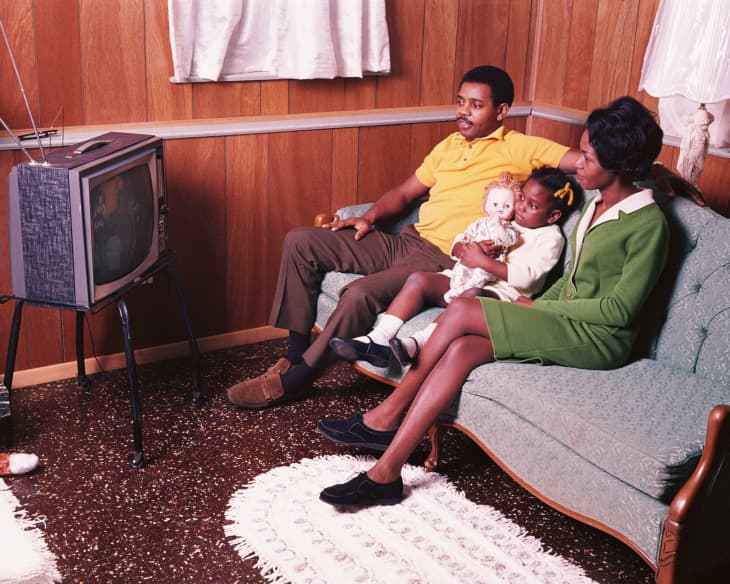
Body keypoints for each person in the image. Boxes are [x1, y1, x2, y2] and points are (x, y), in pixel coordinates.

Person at [317, 95, 672, 506]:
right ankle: (386, 472)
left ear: (618, 165)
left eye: (588, 157)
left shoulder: (648, 224)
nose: (579, 163)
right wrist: (542, 303)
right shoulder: (597, 203)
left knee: (466, 308)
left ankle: (385, 418)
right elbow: (571, 281)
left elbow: (619, 311)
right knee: (463, 348)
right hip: (565, 320)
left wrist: (536, 307)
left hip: (602, 338)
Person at [226, 65, 580, 410]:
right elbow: (404, 193)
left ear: (502, 111)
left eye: (476, 105)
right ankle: (292, 356)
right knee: (301, 241)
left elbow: (581, 162)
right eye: (460, 101)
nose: (463, 111)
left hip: (443, 258)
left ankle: (296, 380)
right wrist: (367, 217)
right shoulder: (449, 145)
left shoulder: (520, 147)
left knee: (360, 294)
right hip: (408, 240)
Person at [328, 167, 577, 369]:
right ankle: (379, 339)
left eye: (532, 205)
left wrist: (484, 261)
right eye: (521, 197)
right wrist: (461, 248)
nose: (521, 207)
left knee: (468, 298)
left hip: (501, 295)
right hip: (467, 276)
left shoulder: (550, 238)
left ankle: (419, 342)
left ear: (553, 216)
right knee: (419, 280)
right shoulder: (507, 217)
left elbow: (527, 278)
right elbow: (467, 233)